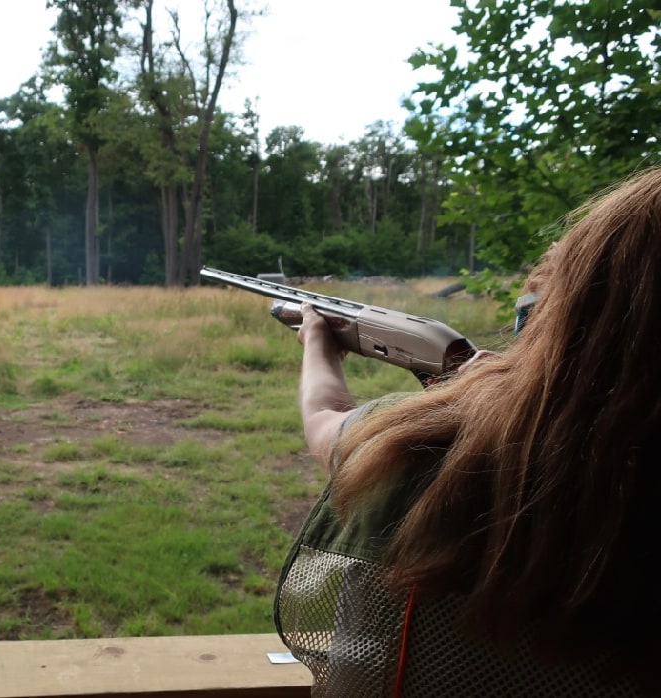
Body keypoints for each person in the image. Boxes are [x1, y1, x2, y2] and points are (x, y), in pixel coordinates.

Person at [274, 168, 661, 697]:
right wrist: (505, 388)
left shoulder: (429, 452)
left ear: (558, 319)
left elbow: (325, 422)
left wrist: (319, 343)